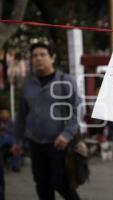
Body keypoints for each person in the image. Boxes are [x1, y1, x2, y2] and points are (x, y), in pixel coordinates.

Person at [12, 42, 81, 200]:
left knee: (61, 182)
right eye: (35, 56)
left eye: (43, 55)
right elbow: (22, 115)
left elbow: (76, 109)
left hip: (59, 143)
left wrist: (67, 133)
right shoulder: (28, 84)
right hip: (35, 143)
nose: (38, 58)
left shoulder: (66, 81)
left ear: (52, 58)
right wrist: (18, 141)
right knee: (42, 185)